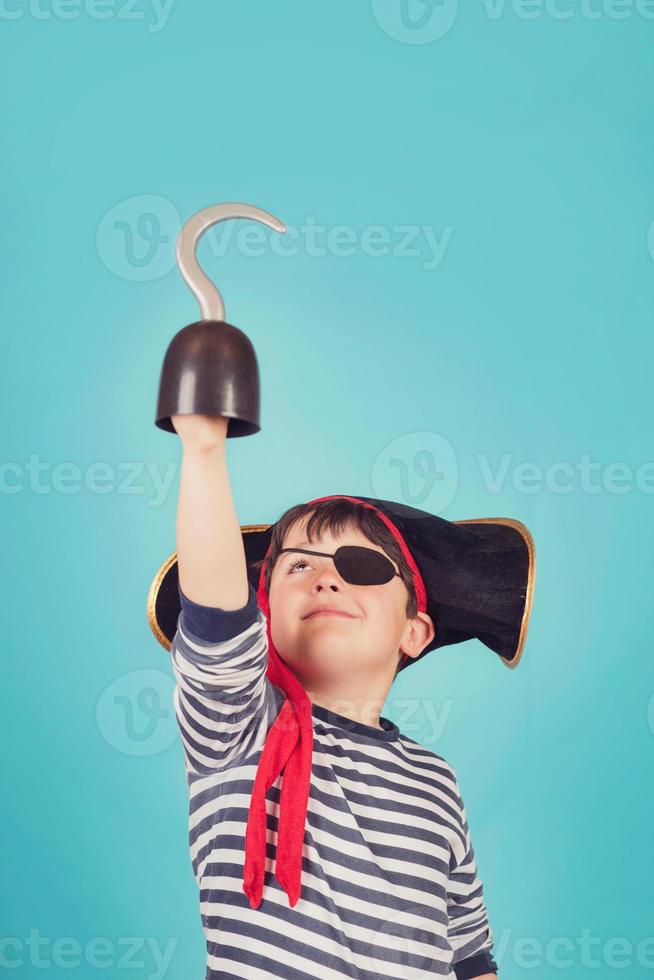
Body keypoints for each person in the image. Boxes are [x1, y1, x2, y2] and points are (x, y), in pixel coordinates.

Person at [147, 412, 535, 979]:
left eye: (361, 567)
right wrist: (204, 452)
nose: (324, 579)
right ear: (264, 611)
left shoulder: (436, 782)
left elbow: (469, 954)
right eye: (297, 565)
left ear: (414, 632)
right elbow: (214, 606)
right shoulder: (237, 726)